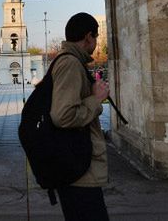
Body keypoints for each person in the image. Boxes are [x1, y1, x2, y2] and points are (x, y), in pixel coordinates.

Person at [50, 12, 110, 220]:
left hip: (76, 166)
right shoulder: (70, 64)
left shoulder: (71, 62)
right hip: (79, 170)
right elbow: (63, 115)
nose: (96, 41)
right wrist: (97, 99)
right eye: (96, 36)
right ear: (88, 37)